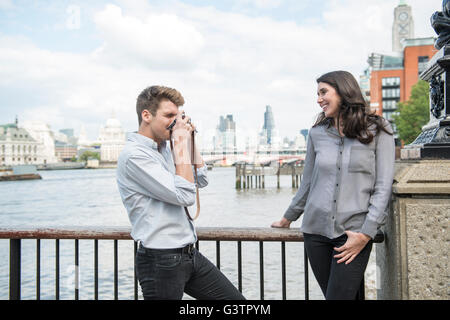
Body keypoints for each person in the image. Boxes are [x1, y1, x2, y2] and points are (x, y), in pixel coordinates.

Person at [271, 71, 395, 300]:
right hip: (315, 233)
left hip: (353, 233)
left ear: (343, 91)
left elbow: (383, 186)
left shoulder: (378, 129)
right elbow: (307, 182)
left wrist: (366, 233)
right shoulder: (317, 133)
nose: (318, 99)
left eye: (323, 92)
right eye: (317, 94)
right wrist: (288, 217)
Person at [117, 85, 245, 300]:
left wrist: (189, 140)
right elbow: (185, 196)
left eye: (179, 116)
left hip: (188, 253)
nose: (176, 122)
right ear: (146, 115)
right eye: (169, 115)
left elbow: (201, 179)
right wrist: (180, 143)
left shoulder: (166, 149)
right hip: (160, 259)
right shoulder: (134, 156)